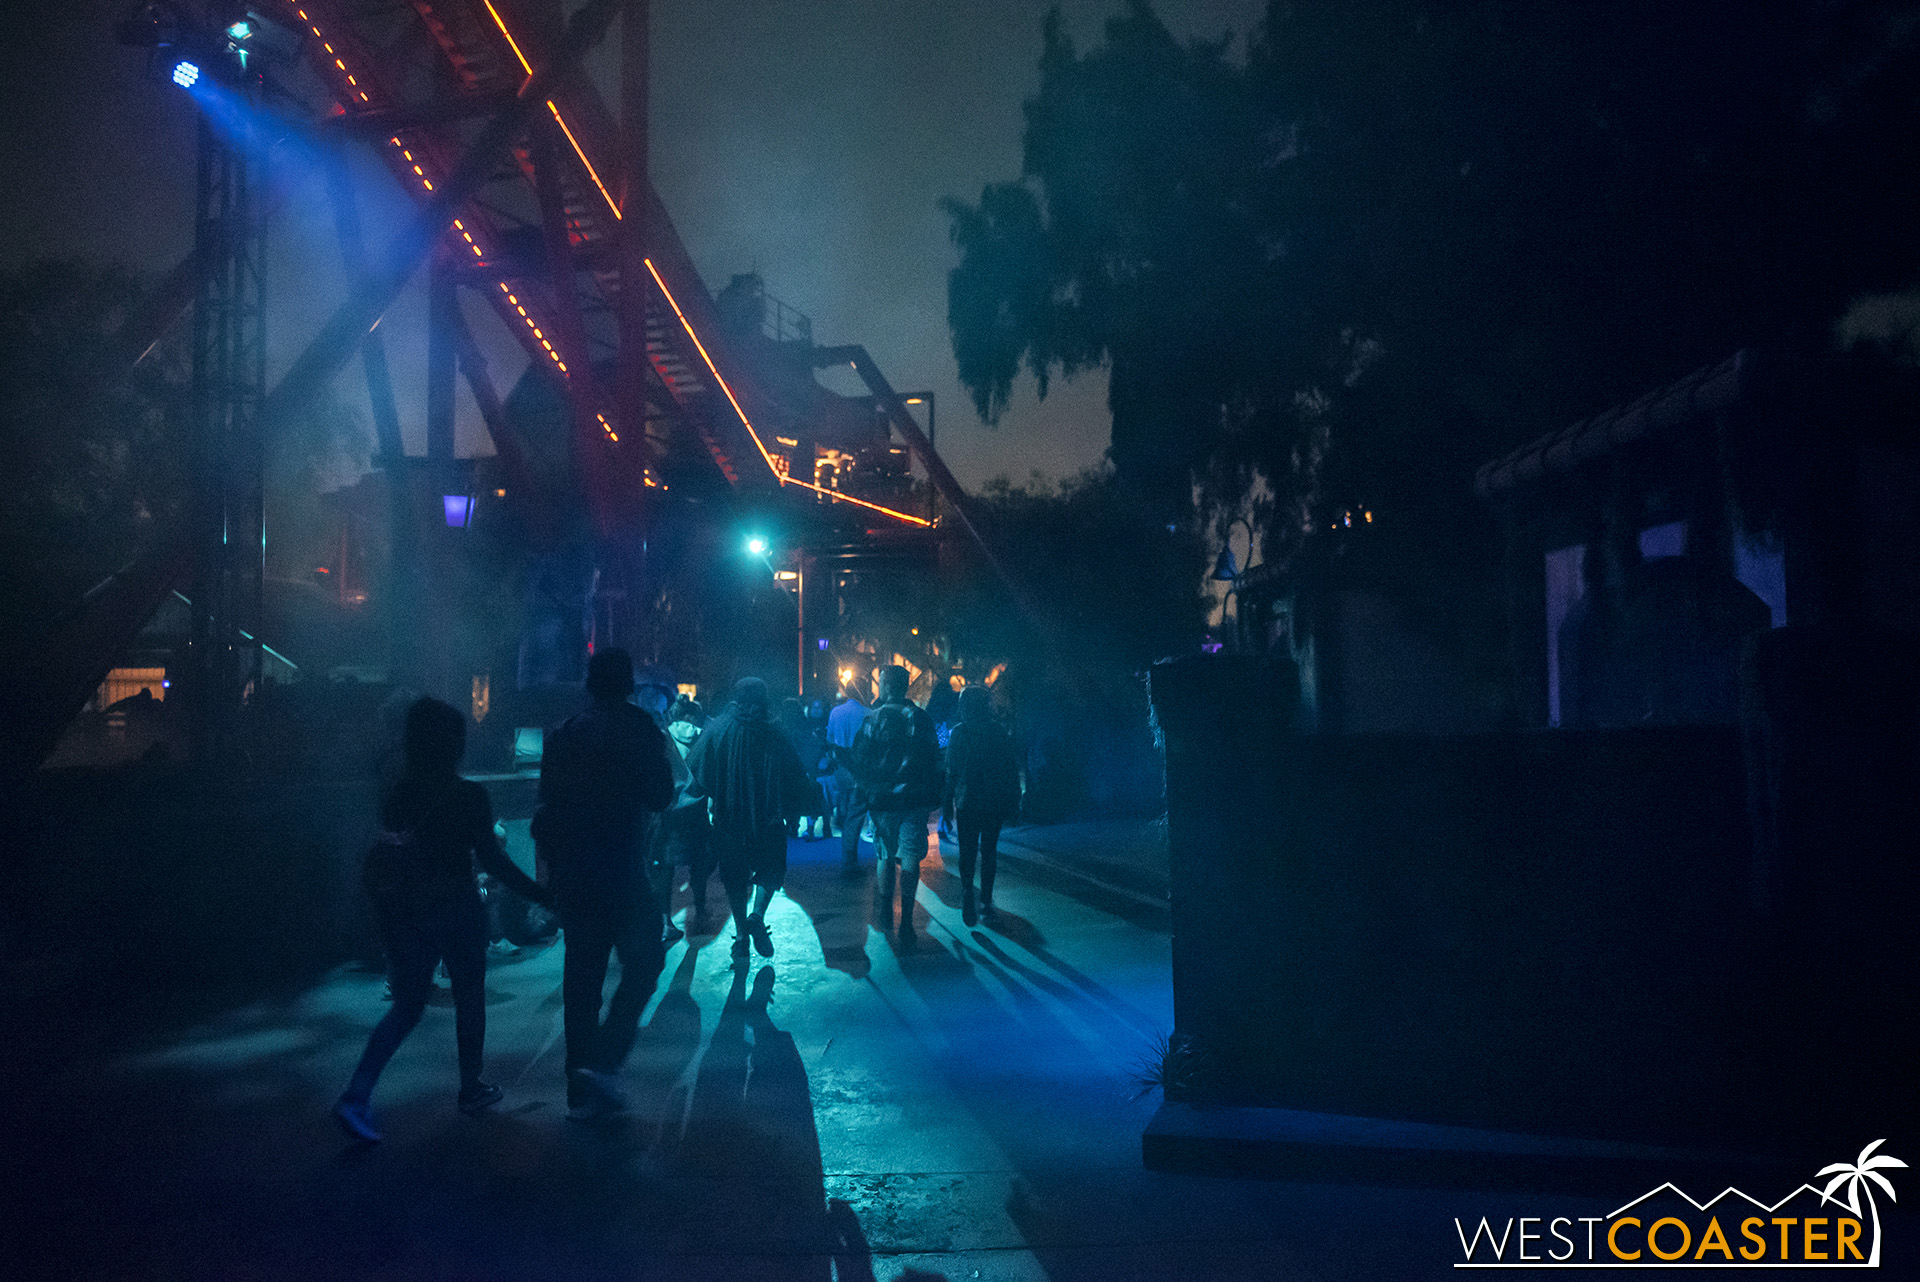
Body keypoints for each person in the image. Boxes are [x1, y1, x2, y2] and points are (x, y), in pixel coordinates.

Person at [334, 696, 554, 1143]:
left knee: (408, 1004)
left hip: (408, 908)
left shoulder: (399, 793)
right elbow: (493, 861)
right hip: (456, 905)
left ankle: (357, 1093)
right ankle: (471, 1088)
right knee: (470, 997)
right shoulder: (469, 795)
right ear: (454, 744)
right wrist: (540, 894)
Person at [533, 647, 676, 1120]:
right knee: (646, 960)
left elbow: (546, 811)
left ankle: (579, 1088)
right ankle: (606, 1060)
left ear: (589, 684)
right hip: (622, 868)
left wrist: (550, 875)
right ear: (629, 683)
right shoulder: (640, 729)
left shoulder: (564, 734)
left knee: (581, 978)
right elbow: (660, 795)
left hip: (576, 872)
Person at [686, 678, 810, 961]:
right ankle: (758, 915)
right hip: (769, 819)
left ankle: (742, 934)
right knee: (770, 870)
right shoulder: (775, 729)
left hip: (728, 821)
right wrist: (794, 814)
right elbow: (794, 776)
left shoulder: (718, 728)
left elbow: (697, 773)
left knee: (734, 878)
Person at [850, 665, 943, 944]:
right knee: (912, 858)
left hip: (882, 801)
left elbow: (860, 759)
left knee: (885, 856)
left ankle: (886, 913)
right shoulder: (921, 718)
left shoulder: (873, 719)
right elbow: (933, 759)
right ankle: (907, 923)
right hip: (914, 800)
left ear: (885, 685)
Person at [942, 686, 1022, 926]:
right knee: (989, 851)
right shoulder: (998, 731)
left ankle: (968, 890)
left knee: (967, 850)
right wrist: (1015, 800)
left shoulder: (959, 733)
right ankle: (986, 901)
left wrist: (946, 804)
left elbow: (950, 772)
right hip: (993, 801)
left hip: (967, 800)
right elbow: (1010, 769)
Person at [661, 694, 716, 929]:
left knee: (666, 867)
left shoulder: (662, 739)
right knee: (700, 864)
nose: (695, 727)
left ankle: (665, 918)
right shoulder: (702, 739)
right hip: (696, 810)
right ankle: (700, 909)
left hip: (669, 811)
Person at [825, 680, 871, 872]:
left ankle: (848, 857)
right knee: (857, 813)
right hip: (861, 770)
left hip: (842, 768)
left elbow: (830, 739)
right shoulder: (868, 713)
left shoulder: (836, 712)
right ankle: (849, 860)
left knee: (846, 809)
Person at [778, 696, 829, 840]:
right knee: (803, 797)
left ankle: (790, 826)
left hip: (785, 771)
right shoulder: (806, 727)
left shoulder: (780, 728)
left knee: (787, 798)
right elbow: (813, 749)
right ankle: (802, 826)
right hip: (803, 770)